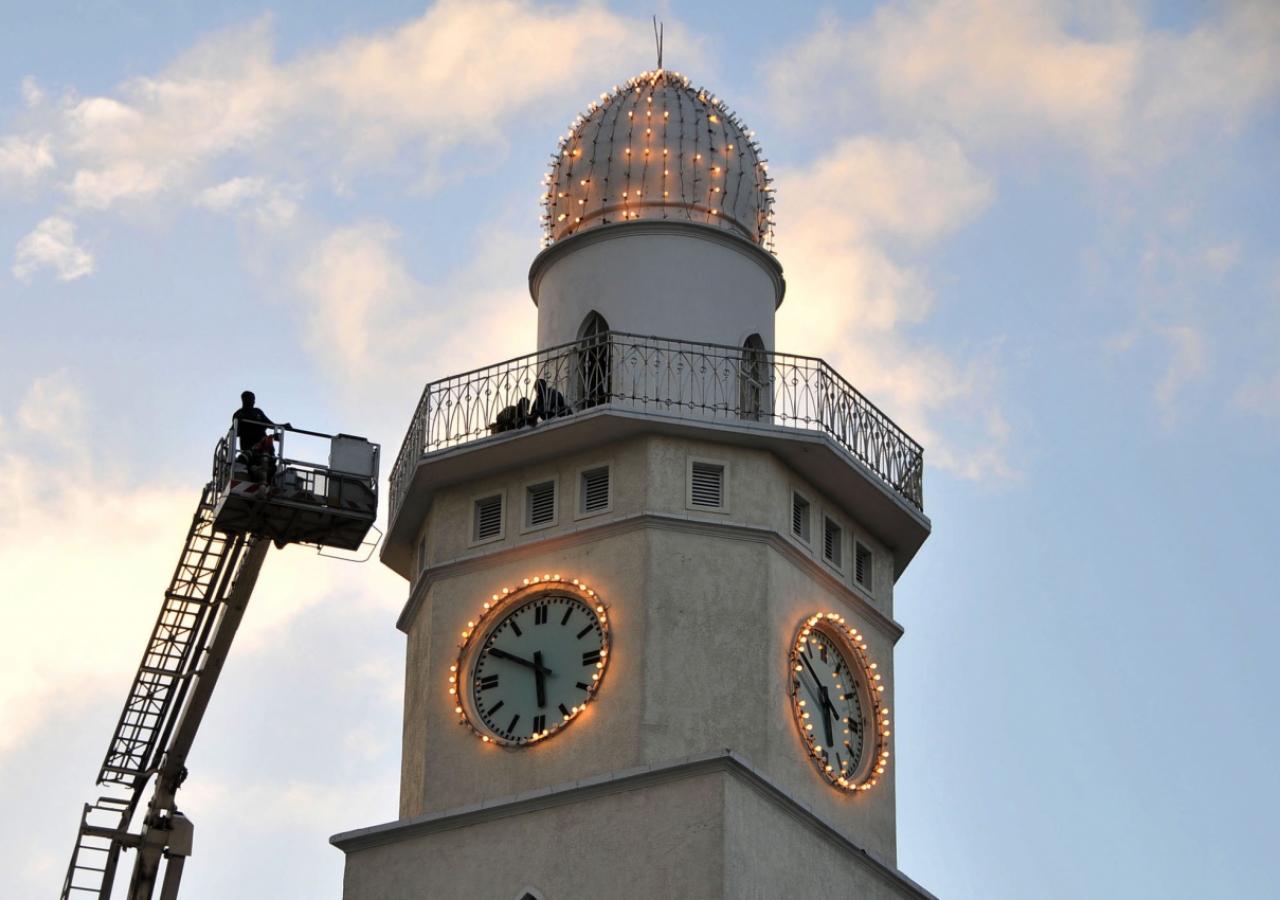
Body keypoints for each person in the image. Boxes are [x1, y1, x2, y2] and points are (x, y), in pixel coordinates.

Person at [232, 392, 289, 482]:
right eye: (251, 399)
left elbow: (270, 424)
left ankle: (270, 483)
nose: (253, 401)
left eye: (254, 399)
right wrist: (240, 420)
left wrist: (283, 426)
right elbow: (234, 431)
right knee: (253, 469)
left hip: (265, 446)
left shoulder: (257, 412)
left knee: (270, 466)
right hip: (249, 448)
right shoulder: (238, 414)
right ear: (244, 399)